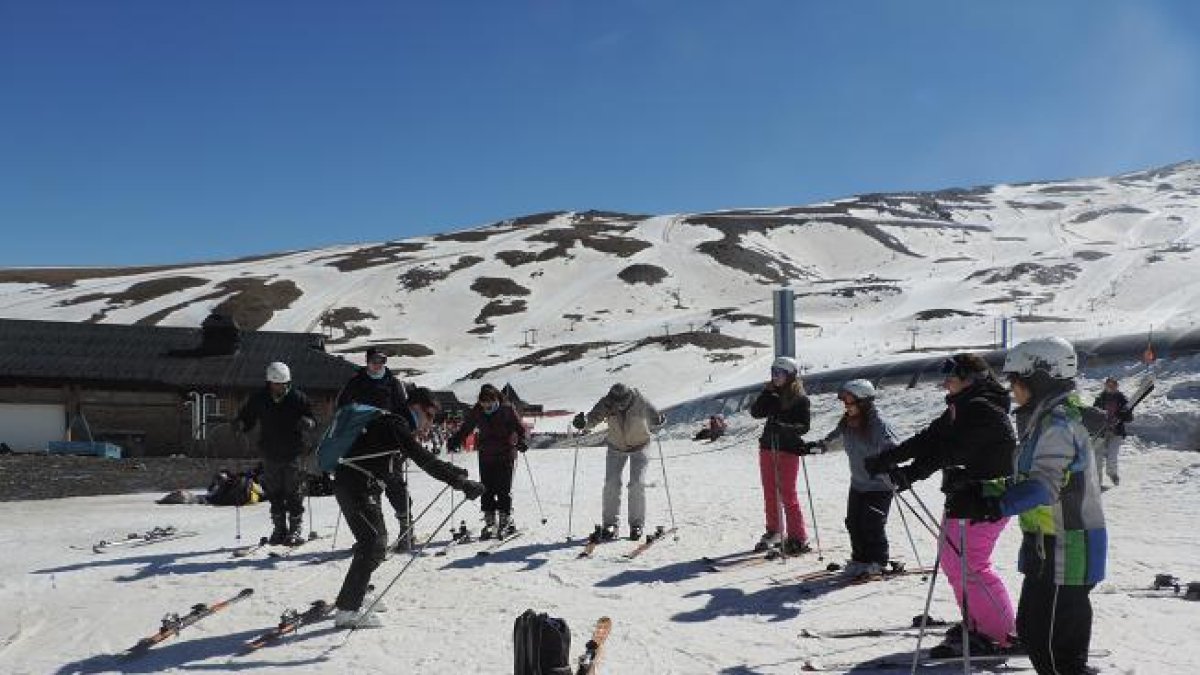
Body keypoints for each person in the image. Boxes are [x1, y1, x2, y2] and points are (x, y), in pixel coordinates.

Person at [944, 337, 1106, 674]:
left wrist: (991, 505)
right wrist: (980, 489)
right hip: (1046, 546)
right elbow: (1026, 479)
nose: (1012, 389)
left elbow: (1043, 487)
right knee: (1033, 632)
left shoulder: (1058, 426)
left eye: (1016, 380)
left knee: (1053, 647)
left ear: (1040, 377)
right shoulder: (1042, 422)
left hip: (1069, 546)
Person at [864, 353, 1017, 656]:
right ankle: (977, 624)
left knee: (970, 565)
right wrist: (888, 459)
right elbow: (929, 439)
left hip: (983, 501)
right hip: (964, 498)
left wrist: (911, 473)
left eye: (951, 374)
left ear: (971, 378)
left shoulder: (981, 409)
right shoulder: (962, 406)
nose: (945, 381)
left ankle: (1000, 634)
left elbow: (951, 451)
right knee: (954, 563)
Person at [332, 387, 484, 628]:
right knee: (371, 542)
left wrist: (455, 473)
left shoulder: (395, 424)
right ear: (415, 407)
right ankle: (347, 611)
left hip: (363, 485)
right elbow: (423, 459)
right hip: (354, 485)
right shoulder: (395, 424)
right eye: (430, 415)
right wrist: (460, 483)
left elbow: (412, 461)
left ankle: (355, 594)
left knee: (378, 542)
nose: (431, 423)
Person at [812, 379, 899, 578]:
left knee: (872, 523)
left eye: (849, 400)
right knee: (853, 522)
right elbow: (835, 440)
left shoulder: (878, 425)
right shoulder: (848, 423)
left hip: (880, 485)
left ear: (863, 401)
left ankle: (878, 561)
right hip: (858, 483)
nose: (846, 405)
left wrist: (885, 462)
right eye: (844, 401)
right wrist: (818, 446)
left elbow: (895, 449)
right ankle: (860, 559)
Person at [337, 347, 417, 551]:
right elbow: (343, 408)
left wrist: (408, 434)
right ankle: (375, 534)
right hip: (363, 443)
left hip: (389, 443)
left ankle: (406, 529)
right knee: (368, 489)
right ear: (367, 361)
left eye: (382, 361)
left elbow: (403, 410)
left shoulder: (393, 384)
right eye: (374, 361)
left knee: (394, 485)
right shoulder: (356, 383)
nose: (378, 365)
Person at [236, 361, 317, 546]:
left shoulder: (298, 398)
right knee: (274, 492)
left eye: (284, 384)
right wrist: (240, 424)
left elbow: (313, 419)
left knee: (294, 492)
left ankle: (295, 529)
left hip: (293, 452)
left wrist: (308, 423)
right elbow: (247, 417)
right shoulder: (259, 398)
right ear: (269, 382)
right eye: (276, 384)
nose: (280, 387)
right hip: (270, 451)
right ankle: (279, 529)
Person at [572, 383, 664, 541]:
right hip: (616, 447)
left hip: (640, 445)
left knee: (637, 483)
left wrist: (658, 419)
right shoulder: (607, 403)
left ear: (629, 397)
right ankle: (610, 524)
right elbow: (592, 418)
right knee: (611, 484)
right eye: (617, 403)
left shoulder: (640, 401)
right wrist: (583, 422)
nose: (619, 406)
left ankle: (636, 525)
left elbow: (655, 416)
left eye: (623, 402)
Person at [748, 356, 813, 555]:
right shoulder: (772, 394)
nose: (775, 377)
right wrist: (767, 393)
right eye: (773, 373)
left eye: (780, 373)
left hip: (787, 449)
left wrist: (783, 427)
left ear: (790, 375)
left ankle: (797, 536)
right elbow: (756, 412)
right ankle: (774, 531)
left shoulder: (800, 398)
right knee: (770, 492)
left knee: (787, 493)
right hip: (768, 447)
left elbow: (804, 427)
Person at [448, 384, 528, 539]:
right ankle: (489, 519)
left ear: (495, 399)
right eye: (483, 404)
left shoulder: (506, 409)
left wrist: (522, 440)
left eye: (489, 404)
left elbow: (519, 428)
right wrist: (456, 440)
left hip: (505, 454)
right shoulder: (477, 411)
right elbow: (467, 428)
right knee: (487, 488)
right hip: (486, 455)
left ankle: (504, 517)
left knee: (503, 488)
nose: (486, 407)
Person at [1092, 376, 1132, 487]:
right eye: (1108, 385)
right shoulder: (1100, 398)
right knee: (1097, 458)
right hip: (1101, 432)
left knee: (1112, 456)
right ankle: (1097, 482)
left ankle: (1112, 474)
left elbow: (1130, 418)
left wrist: (1123, 416)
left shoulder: (1122, 399)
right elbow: (1092, 414)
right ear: (1105, 386)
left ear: (1117, 386)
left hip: (1116, 432)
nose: (1111, 387)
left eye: (1113, 385)